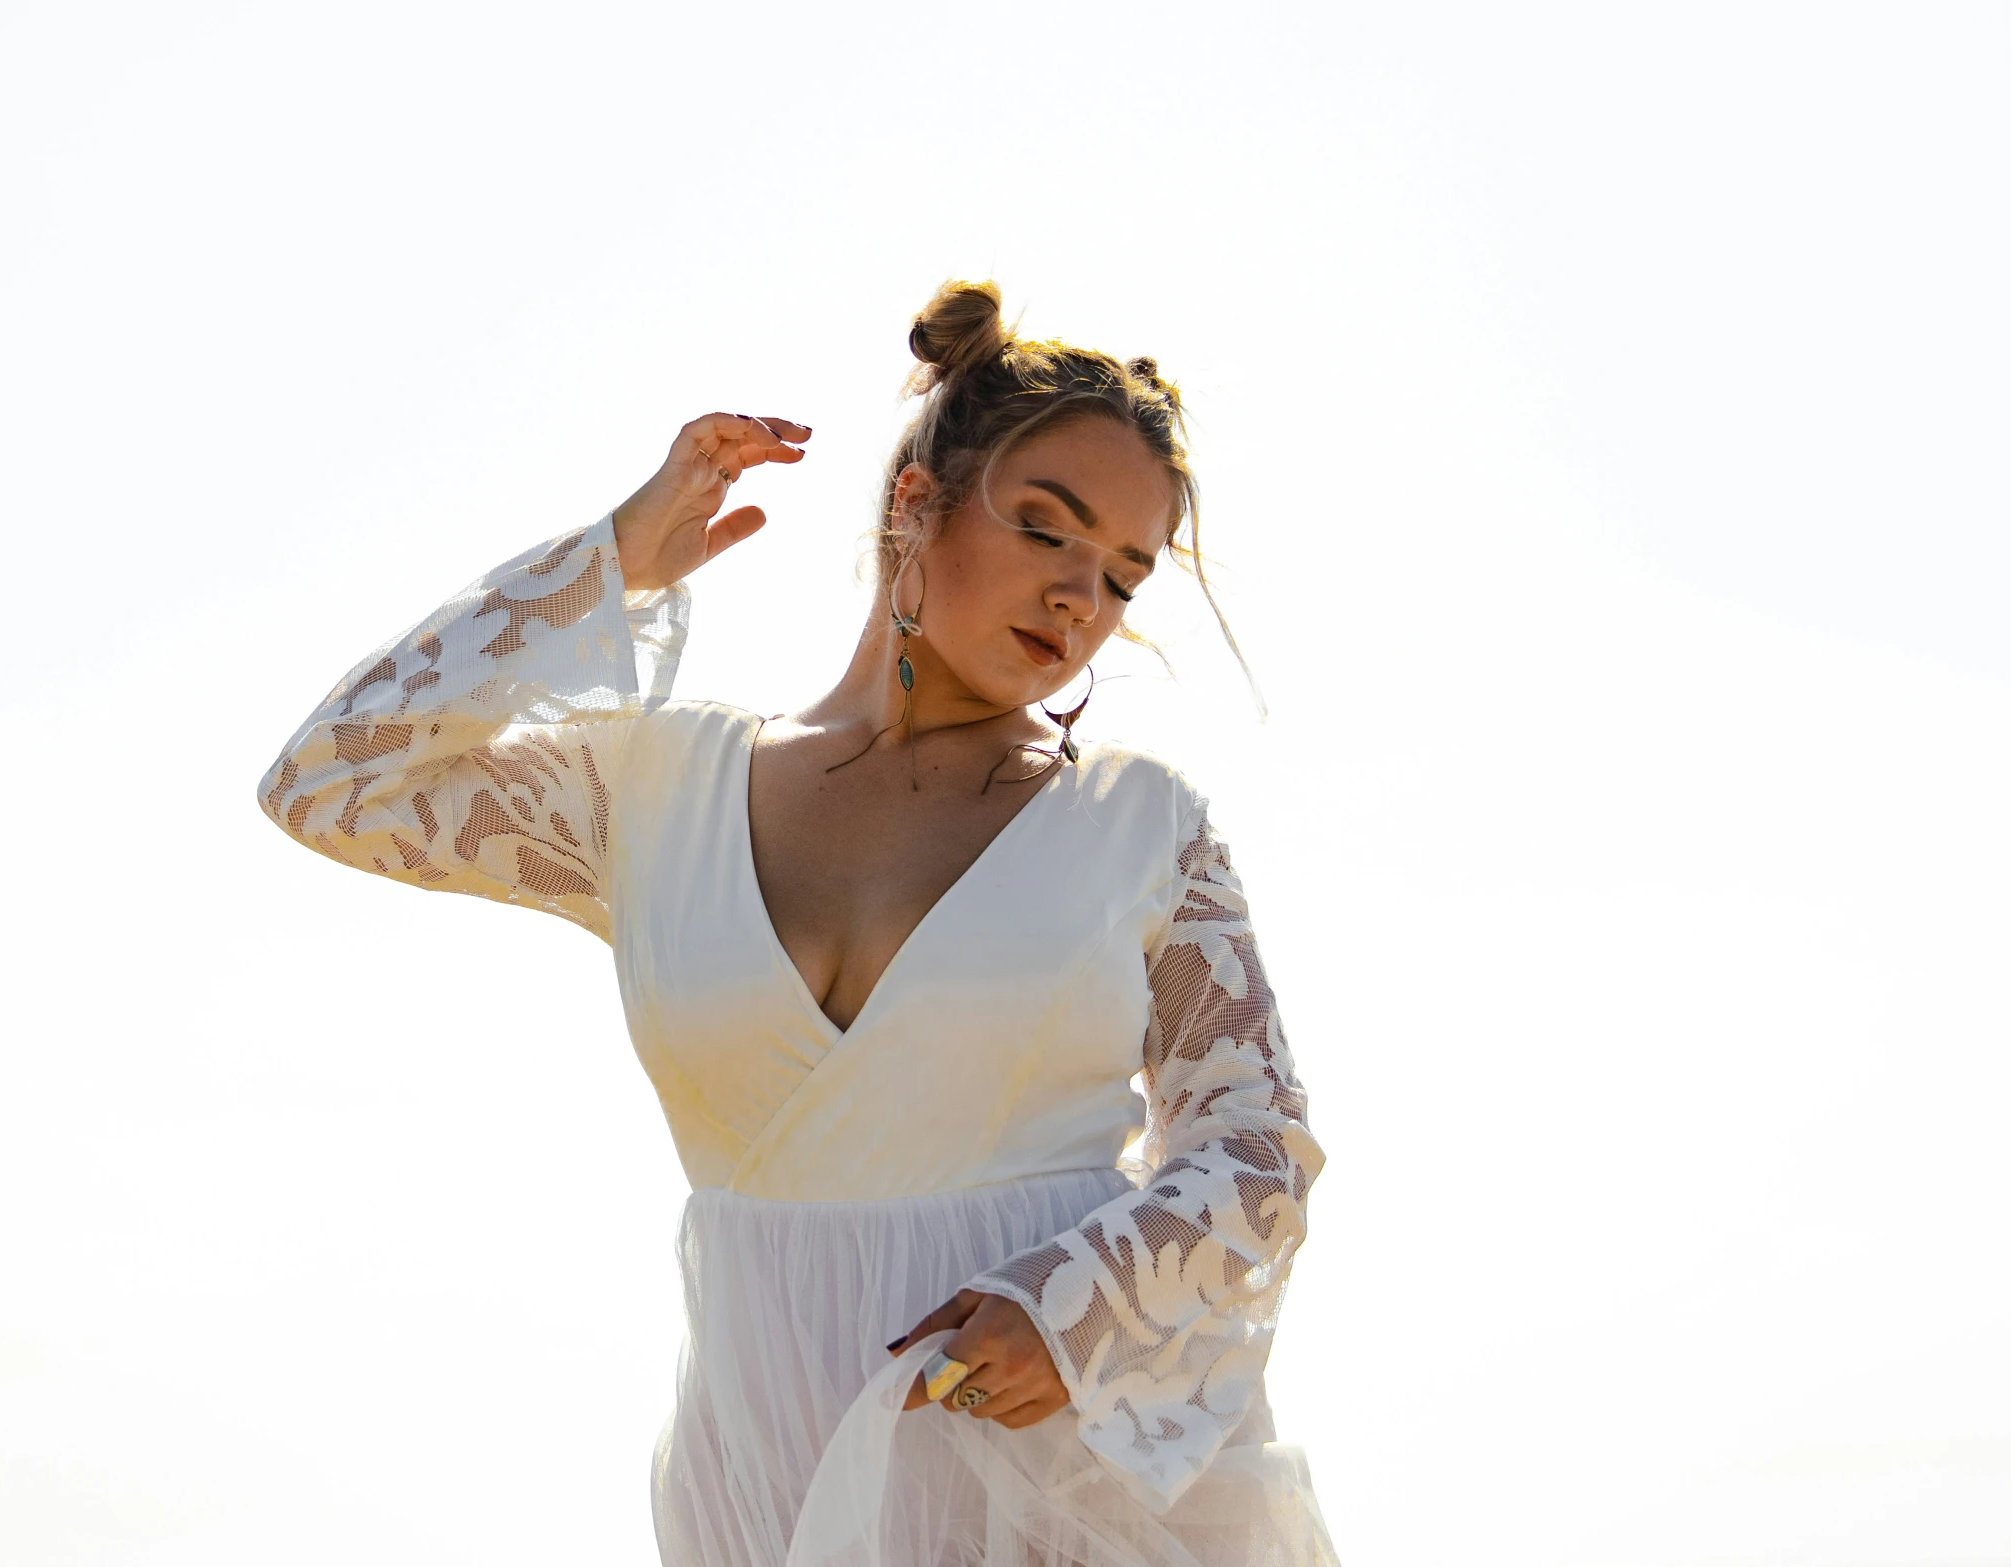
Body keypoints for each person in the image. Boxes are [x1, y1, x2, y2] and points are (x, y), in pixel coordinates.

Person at [254, 280, 1338, 1566]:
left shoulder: (1141, 826)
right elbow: (328, 782)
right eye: (1047, 528)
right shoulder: (653, 793)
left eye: (1120, 574)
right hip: (759, 1470)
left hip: (1059, 1478)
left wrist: (1075, 1313)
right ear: (912, 501)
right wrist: (611, 565)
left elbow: (1255, 1140)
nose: (1077, 600)